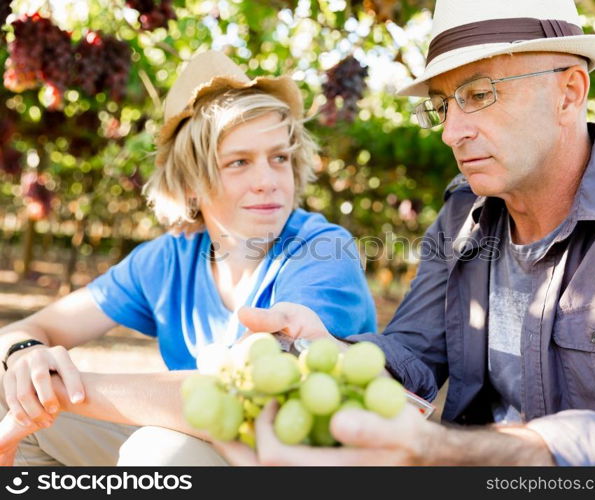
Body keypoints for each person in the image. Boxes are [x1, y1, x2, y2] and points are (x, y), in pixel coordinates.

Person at [218, 0, 595, 466]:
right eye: (443, 105)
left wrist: (450, 453)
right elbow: (414, 352)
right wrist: (332, 351)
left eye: (478, 94)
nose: (451, 132)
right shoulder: (462, 211)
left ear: (569, 92)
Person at [0, 50, 377, 466]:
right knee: (17, 407)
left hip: (300, 459)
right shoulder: (167, 260)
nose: (268, 182)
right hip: (215, 446)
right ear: (191, 183)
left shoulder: (323, 251)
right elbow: (32, 327)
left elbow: (245, 394)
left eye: (279, 158)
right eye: (239, 162)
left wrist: (60, 389)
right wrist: (26, 355)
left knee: (160, 455)